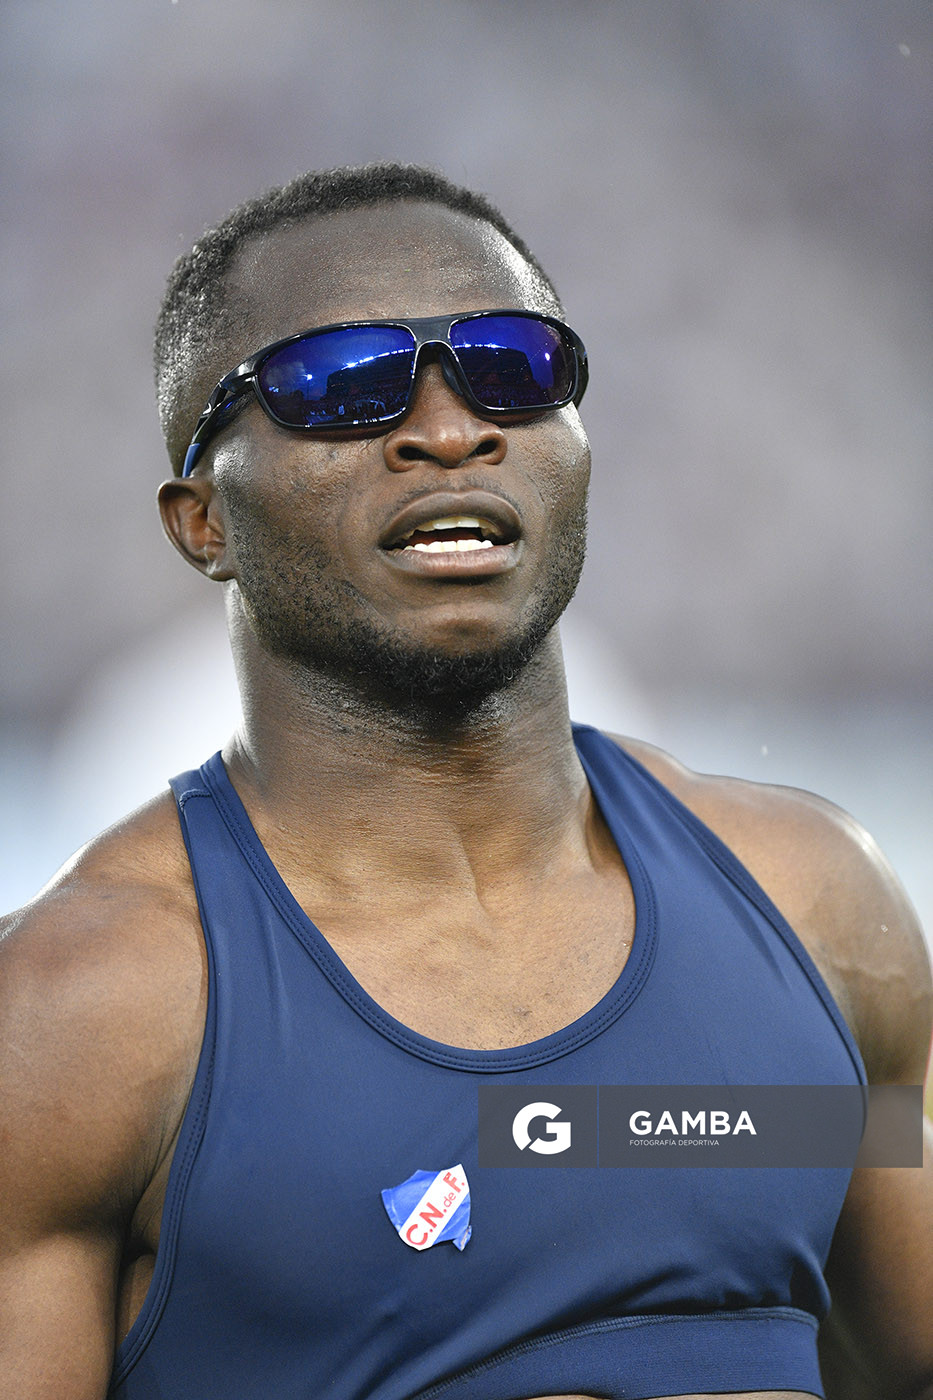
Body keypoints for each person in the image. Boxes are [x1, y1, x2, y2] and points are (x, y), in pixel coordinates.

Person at [0, 162, 930, 1400]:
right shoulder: (76, 1017)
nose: (449, 428)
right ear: (200, 521)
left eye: (514, 366)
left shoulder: (817, 906)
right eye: (343, 385)